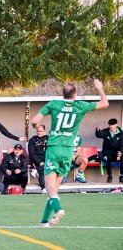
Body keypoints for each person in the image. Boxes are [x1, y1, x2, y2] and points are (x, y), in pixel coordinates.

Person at [31, 79, 108, 227]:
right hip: (68, 151)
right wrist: (100, 88)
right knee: (54, 189)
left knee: (50, 188)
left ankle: (58, 209)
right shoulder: (80, 106)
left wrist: (36, 125)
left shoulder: (54, 104)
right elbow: (105, 104)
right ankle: (44, 222)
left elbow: (35, 121)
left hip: (54, 148)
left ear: (62, 94)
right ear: (75, 95)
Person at [95, 118, 123, 183]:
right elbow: (99, 135)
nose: (111, 126)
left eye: (112, 125)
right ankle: (109, 175)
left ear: (116, 124)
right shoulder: (106, 131)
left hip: (117, 153)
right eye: (110, 125)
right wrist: (98, 130)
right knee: (108, 159)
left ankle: (121, 175)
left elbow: (122, 144)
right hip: (107, 153)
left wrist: (121, 152)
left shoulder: (121, 133)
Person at [28, 125, 48, 193]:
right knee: (41, 170)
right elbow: (32, 154)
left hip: (47, 159)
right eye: (37, 131)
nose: (39, 133)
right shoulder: (32, 140)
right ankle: (44, 188)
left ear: (44, 131)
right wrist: (39, 162)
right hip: (36, 160)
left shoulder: (48, 138)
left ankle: (35, 170)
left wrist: (46, 161)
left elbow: (51, 151)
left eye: (41, 131)